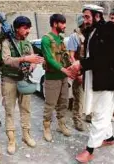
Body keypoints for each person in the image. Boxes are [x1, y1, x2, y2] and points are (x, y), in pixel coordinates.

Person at [69, 5, 114, 163]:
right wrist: (80, 67)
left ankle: (90, 149)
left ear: (97, 16)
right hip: (95, 78)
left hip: (107, 80)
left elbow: (107, 56)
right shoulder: (91, 31)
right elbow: (91, 56)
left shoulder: (110, 28)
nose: (84, 20)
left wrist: (81, 64)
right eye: (84, 17)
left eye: (87, 17)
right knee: (100, 111)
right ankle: (109, 138)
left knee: (100, 113)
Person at [0, 16, 44, 155]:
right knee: (9, 110)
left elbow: (34, 59)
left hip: (24, 79)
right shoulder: (6, 42)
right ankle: (11, 139)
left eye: (29, 28)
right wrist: (25, 59)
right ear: (17, 28)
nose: (28, 31)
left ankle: (26, 135)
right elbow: (6, 60)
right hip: (9, 80)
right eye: (25, 28)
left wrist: (32, 64)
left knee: (26, 109)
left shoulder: (27, 44)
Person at [42, 14, 75, 142]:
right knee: (50, 104)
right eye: (62, 23)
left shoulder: (61, 39)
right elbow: (49, 59)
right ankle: (46, 128)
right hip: (52, 77)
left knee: (64, 102)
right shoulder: (46, 39)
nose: (65, 26)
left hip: (63, 77)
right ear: (55, 24)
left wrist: (73, 66)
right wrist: (64, 70)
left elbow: (65, 56)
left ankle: (61, 125)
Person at [67, 15, 85, 131]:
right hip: (80, 71)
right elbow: (71, 56)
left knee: (90, 96)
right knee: (79, 98)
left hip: (90, 71)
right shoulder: (75, 36)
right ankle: (77, 119)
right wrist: (78, 73)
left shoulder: (91, 35)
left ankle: (89, 115)